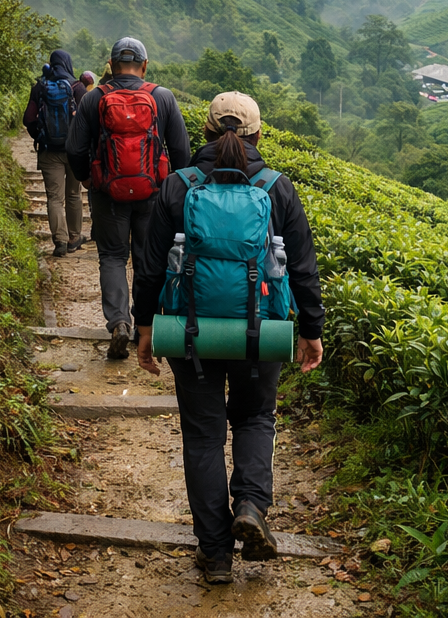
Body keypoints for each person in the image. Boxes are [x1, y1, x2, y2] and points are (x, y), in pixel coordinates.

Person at [134, 92, 324, 585]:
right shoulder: (276, 188)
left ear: (205, 133)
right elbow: (302, 265)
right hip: (260, 332)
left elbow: (152, 264)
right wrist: (311, 330)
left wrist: (145, 327)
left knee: (202, 434)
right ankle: (252, 505)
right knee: (256, 416)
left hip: (191, 330)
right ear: (259, 135)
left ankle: (215, 554)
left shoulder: (178, 186)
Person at [66, 38, 191, 360]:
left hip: (107, 193)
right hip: (154, 194)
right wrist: (174, 190)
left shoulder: (94, 99)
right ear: (145, 65)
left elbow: (75, 149)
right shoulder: (162, 97)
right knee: (149, 259)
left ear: (110, 65)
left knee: (112, 257)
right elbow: (181, 151)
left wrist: (86, 178)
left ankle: (118, 321)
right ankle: (145, 327)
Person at [23, 49, 87, 257]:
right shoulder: (78, 88)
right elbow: (88, 123)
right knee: (74, 194)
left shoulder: (40, 87)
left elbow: (29, 119)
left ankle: (59, 241)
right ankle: (74, 237)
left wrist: (41, 137)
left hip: (50, 152)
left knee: (54, 197)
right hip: (74, 151)